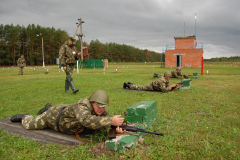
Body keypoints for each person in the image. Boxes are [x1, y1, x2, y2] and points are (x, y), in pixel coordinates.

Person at [10, 90, 126, 135]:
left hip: (65, 114)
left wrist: (116, 127)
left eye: (104, 107)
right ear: (92, 102)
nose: (102, 109)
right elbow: (85, 120)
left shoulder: (101, 112)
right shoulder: (82, 106)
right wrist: (111, 121)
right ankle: (25, 116)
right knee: (29, 126)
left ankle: (46, 108)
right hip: (53, 117)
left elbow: (102, 122)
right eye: (99, 106)